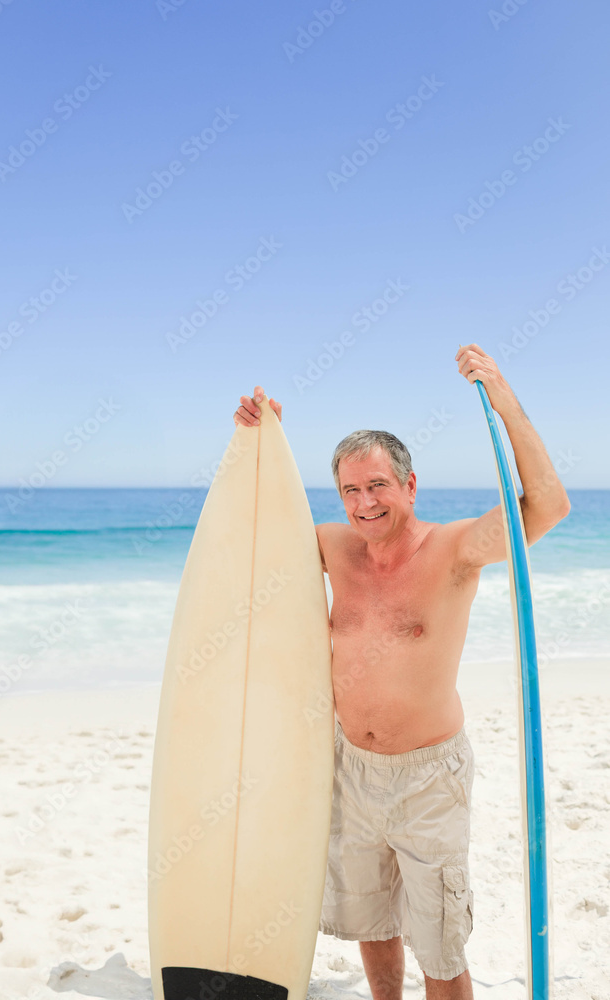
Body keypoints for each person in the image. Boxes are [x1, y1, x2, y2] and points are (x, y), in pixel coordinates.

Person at [233, 344, 570, 1000]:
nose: (363, 504)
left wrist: (500, 395)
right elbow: (255, 530)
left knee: (438, 943)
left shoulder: (453, 551)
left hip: (427, 780)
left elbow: (547, 506)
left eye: (377, 485)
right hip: (349, 768)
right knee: (370, 919)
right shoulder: (333, 546)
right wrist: (259, 443)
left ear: (409, 485)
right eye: (350, 490)